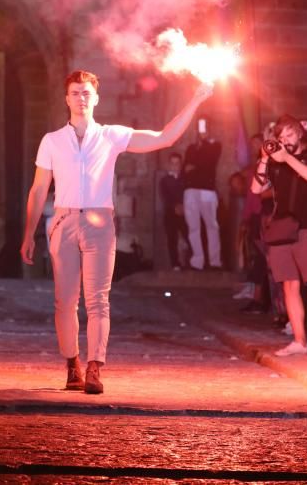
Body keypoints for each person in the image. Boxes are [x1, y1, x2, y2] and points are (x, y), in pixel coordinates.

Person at [21, 70, 213, 394]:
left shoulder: (111, 135)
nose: (81, 98)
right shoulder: (52, 140)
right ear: (66, 98)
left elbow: (164, 137)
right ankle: (72, 364)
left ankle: (95, 367)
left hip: (99, 222)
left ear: (96, 98)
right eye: (75, 93)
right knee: (65, 301)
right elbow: (39, 189)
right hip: (63, 223)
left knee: (98, 300)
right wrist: (28, 234)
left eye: (86, 93)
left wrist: (195, 99)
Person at [251, 115, 307, 357]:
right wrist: (264, 159)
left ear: (300, 133)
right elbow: (256, 189)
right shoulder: (276, 161)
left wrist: (287, 158)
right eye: (280, 137)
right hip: (282, 228)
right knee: (290, 285)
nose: (285, 140)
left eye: (289, 134)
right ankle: (300, 341)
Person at [183, 118, 222, 270]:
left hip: (207, 190)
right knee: (193, 226)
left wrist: (196, 165)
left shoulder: (215, 146)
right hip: (191, 189)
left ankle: (214, 261)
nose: (202, 131)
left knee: (212, 225)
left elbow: (209, 162)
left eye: (205, 127)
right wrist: (194, 166)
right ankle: (197, 261)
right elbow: (187, 167)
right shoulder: (192, 148)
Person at [159, 152, 187, 270]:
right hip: (170, 213)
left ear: (181, 164)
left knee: (189, 235)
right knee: (172, 238)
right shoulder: (164, 180)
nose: (175, 166)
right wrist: (175, 206)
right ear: (169, 165)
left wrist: (183, 206)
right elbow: (165, 196)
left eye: (177, 163)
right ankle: (175, 263)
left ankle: (191, 262)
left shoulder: (186, 178)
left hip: (185, 212)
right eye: (173, 163)